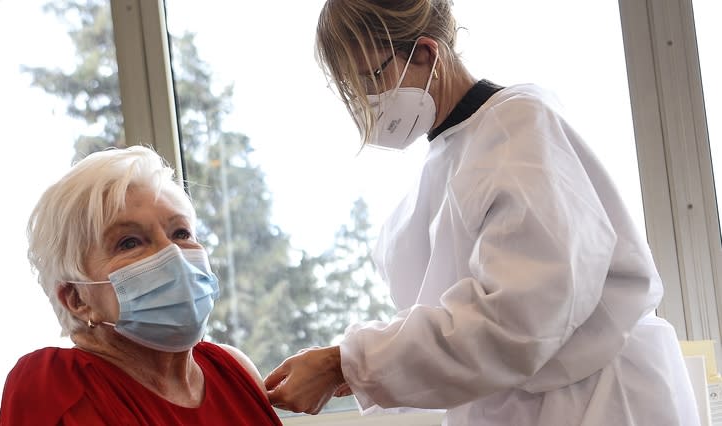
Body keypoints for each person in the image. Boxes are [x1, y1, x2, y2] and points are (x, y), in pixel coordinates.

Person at [263, 1, 700, 425]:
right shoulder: (450, 158)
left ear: (425, 52)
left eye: (370, 78)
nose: (367, 101)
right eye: (350, 89)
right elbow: (448, 314)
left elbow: (517, 318)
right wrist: (356, 366)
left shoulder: (518, 130)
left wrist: (349, 362)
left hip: (597, 401)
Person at [0, 146, 281, 425]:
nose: (173, 254)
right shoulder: (52, 383)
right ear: (77, 299)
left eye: (181, 233)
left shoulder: (234, 369)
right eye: (129, 242)